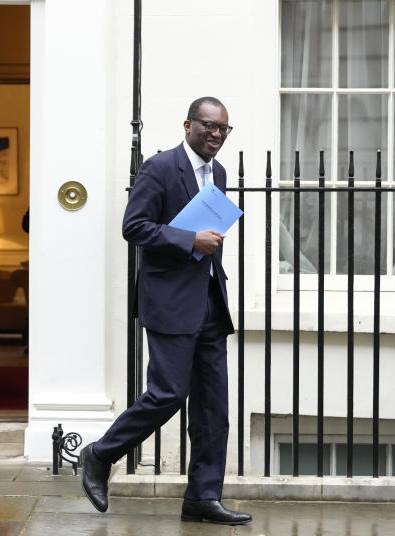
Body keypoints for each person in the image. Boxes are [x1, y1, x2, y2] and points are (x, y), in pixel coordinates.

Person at [79, 97, 252, 526]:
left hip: (210, 299)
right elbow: (133, 226)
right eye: (209, 126)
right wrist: (190, 241)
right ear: (188, 124)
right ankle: (100, 455)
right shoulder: (160, 167)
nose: (215, 135)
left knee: (214, 406)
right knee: (168, 394)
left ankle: (202, 497)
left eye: (223, 130)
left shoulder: (220, 173)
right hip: (170, 301)